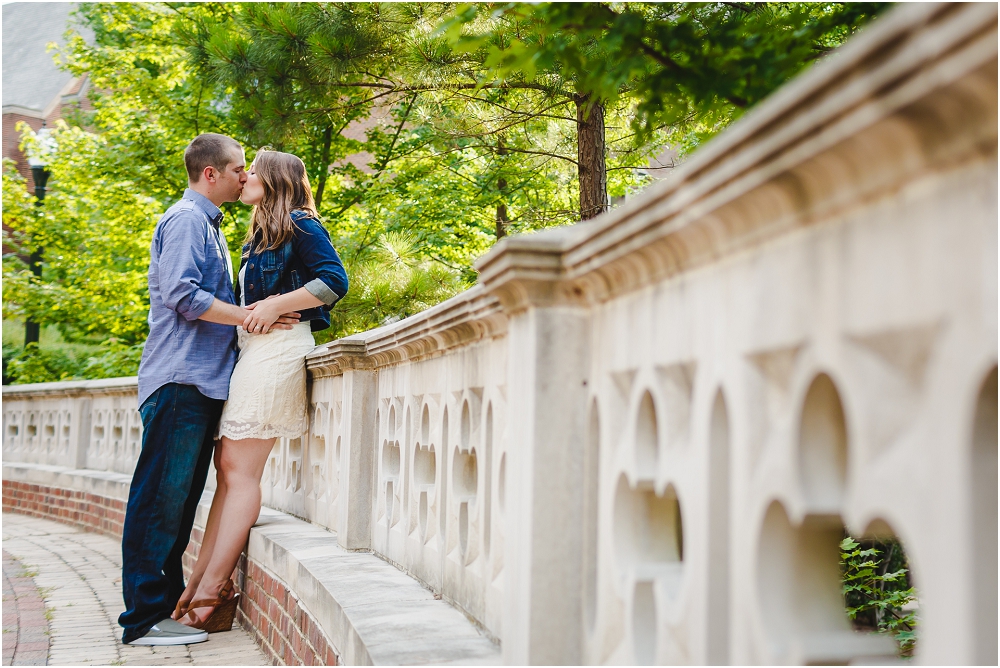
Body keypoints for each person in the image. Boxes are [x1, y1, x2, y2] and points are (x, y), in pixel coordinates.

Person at [120, 134, 301, 646]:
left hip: (200, 383)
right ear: (211, 175)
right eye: (240, 169)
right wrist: (250, 315)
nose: (247, 176)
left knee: (177, 502)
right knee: (159, 500)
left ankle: (161, 611)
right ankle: (143, 618)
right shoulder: (186, 221)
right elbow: (182, 295)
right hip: (180, 379)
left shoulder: (210, 226)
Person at [172, 148, 348, 631]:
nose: (245, 175)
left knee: (239, 471)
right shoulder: (257, 236)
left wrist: (274, 304)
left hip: (279, 352)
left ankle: (211, 593)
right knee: (226, 470)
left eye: (253, 170)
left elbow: (335, 280)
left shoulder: (300, 223)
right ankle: (197, 586)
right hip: (251, 353)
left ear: (273, 180)